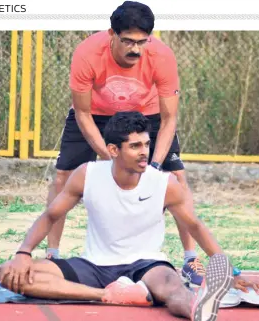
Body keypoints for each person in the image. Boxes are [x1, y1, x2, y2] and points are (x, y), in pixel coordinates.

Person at [0, 112, 259, 321]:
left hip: (148, 265)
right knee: (9, 274)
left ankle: (199, 311)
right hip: (95, 265)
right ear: (113, 150)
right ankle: (110, 295)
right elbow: (50, 215)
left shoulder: (165, 183)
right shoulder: (87, 174)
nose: (144, 152)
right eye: (135, 146)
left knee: (175, 292)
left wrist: (229, 271)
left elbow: (195, 225)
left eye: (147, 144)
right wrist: (23, 253)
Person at [46, 1, 205, 286]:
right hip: (95, 113)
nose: (135, 49)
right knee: (62, 177)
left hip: (148, 112)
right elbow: (82, 113)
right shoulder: (87, 53)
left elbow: (169, 119)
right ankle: (52, 255)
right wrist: (112, 158)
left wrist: (153, 166)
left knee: (177, 177)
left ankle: (191, 258)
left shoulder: (161, 56)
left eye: (142, 42)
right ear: (111, 34)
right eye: (128, 41)